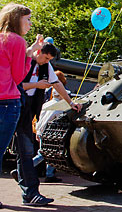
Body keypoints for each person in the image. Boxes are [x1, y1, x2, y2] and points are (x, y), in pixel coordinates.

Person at [17, 40, 78, 206]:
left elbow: (56, 84)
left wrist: (70, 103)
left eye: (49, 59)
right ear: (38, 52)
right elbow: (13, 84)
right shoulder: (24, 60)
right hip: (12, 105)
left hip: (26, 110)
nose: (46, 61)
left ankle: (30, 192)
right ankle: (29, 191)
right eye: (45, 57)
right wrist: (37, 84)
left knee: (26, 151)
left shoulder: (45, 67)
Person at [0, 5, 46, 206]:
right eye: (27, 19)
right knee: (19, 150)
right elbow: (18, 77)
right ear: (16, 18)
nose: (29, 24)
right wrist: (30, 55)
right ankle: (30, 194)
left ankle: (30, 192)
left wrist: (29, 50)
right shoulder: (17, 40)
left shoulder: (2, 38)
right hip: (9, 102)